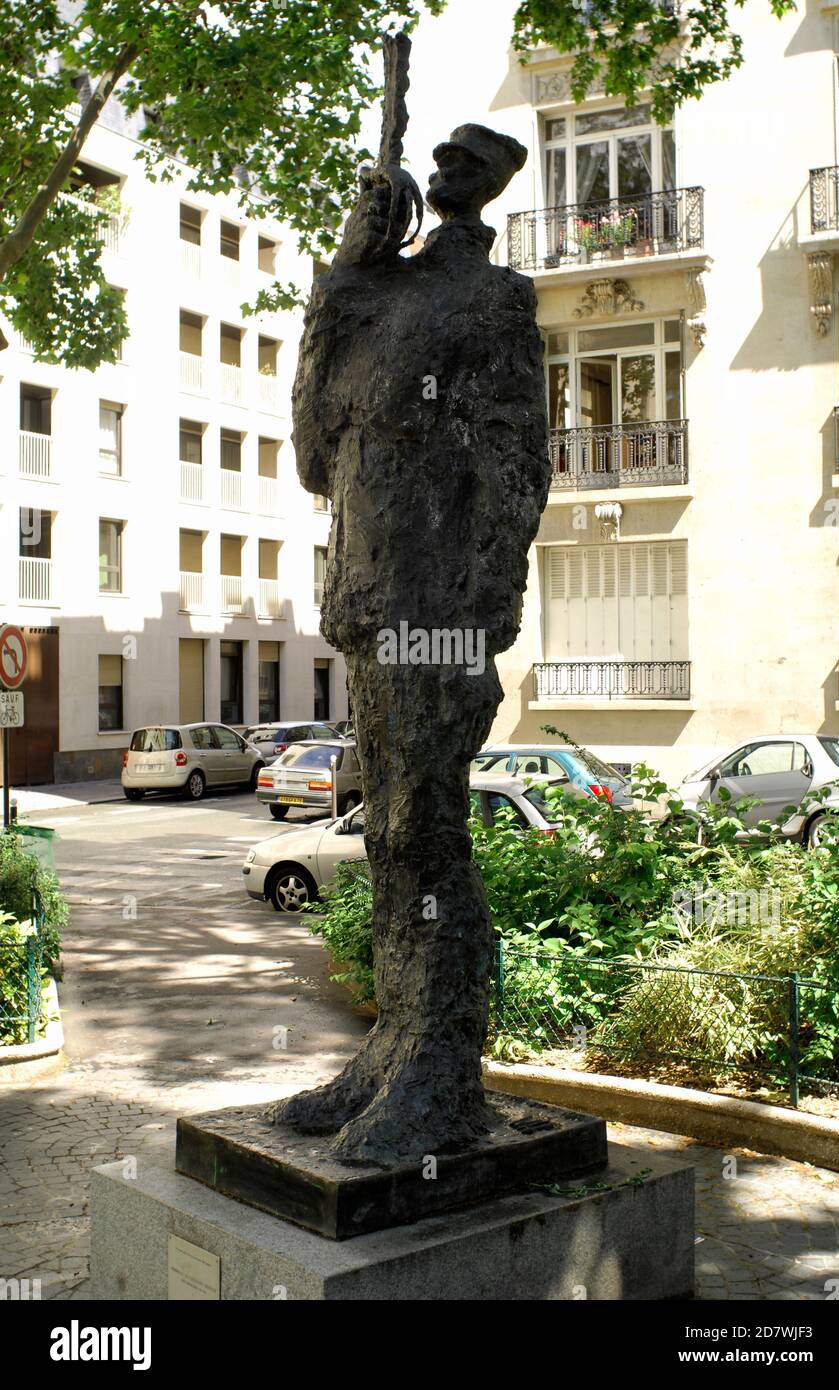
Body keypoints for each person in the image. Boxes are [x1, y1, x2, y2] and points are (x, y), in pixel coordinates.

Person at [268, 124, 550, 1165]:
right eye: (436, 164)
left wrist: (483, 614)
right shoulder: (374, 295)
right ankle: (392, 1048)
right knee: (386, 831)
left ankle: (437, 1062)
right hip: (368, 602)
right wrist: (338, 280)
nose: (439, 179)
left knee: (424, 830)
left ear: (489, 188)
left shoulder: (493, 300)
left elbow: (519, 462)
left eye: (463, 167)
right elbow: (311, 453)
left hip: (439, 613)